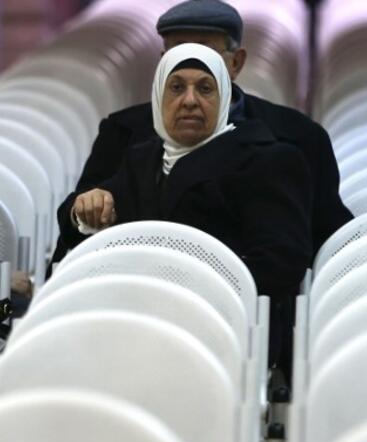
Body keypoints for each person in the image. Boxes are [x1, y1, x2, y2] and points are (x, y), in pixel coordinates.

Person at [60, 44, 312, 366]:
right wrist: (84, 210)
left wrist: (182, 289)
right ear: (158, 97)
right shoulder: (143, 159)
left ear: (225, 98)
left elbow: (281, 263)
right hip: (136, 322)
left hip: (225, 330)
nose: (190, 101)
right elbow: (80, 224)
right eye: (177, 88)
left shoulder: (267, 160)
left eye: (205, 89)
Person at [55, 0, 350, 263]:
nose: (190, 100)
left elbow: (322, 241)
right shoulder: (128, 135)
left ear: (236, 62)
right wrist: (84, 212)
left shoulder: (296, 137)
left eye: (204, 52)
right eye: (179, 52)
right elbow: (83, 214)